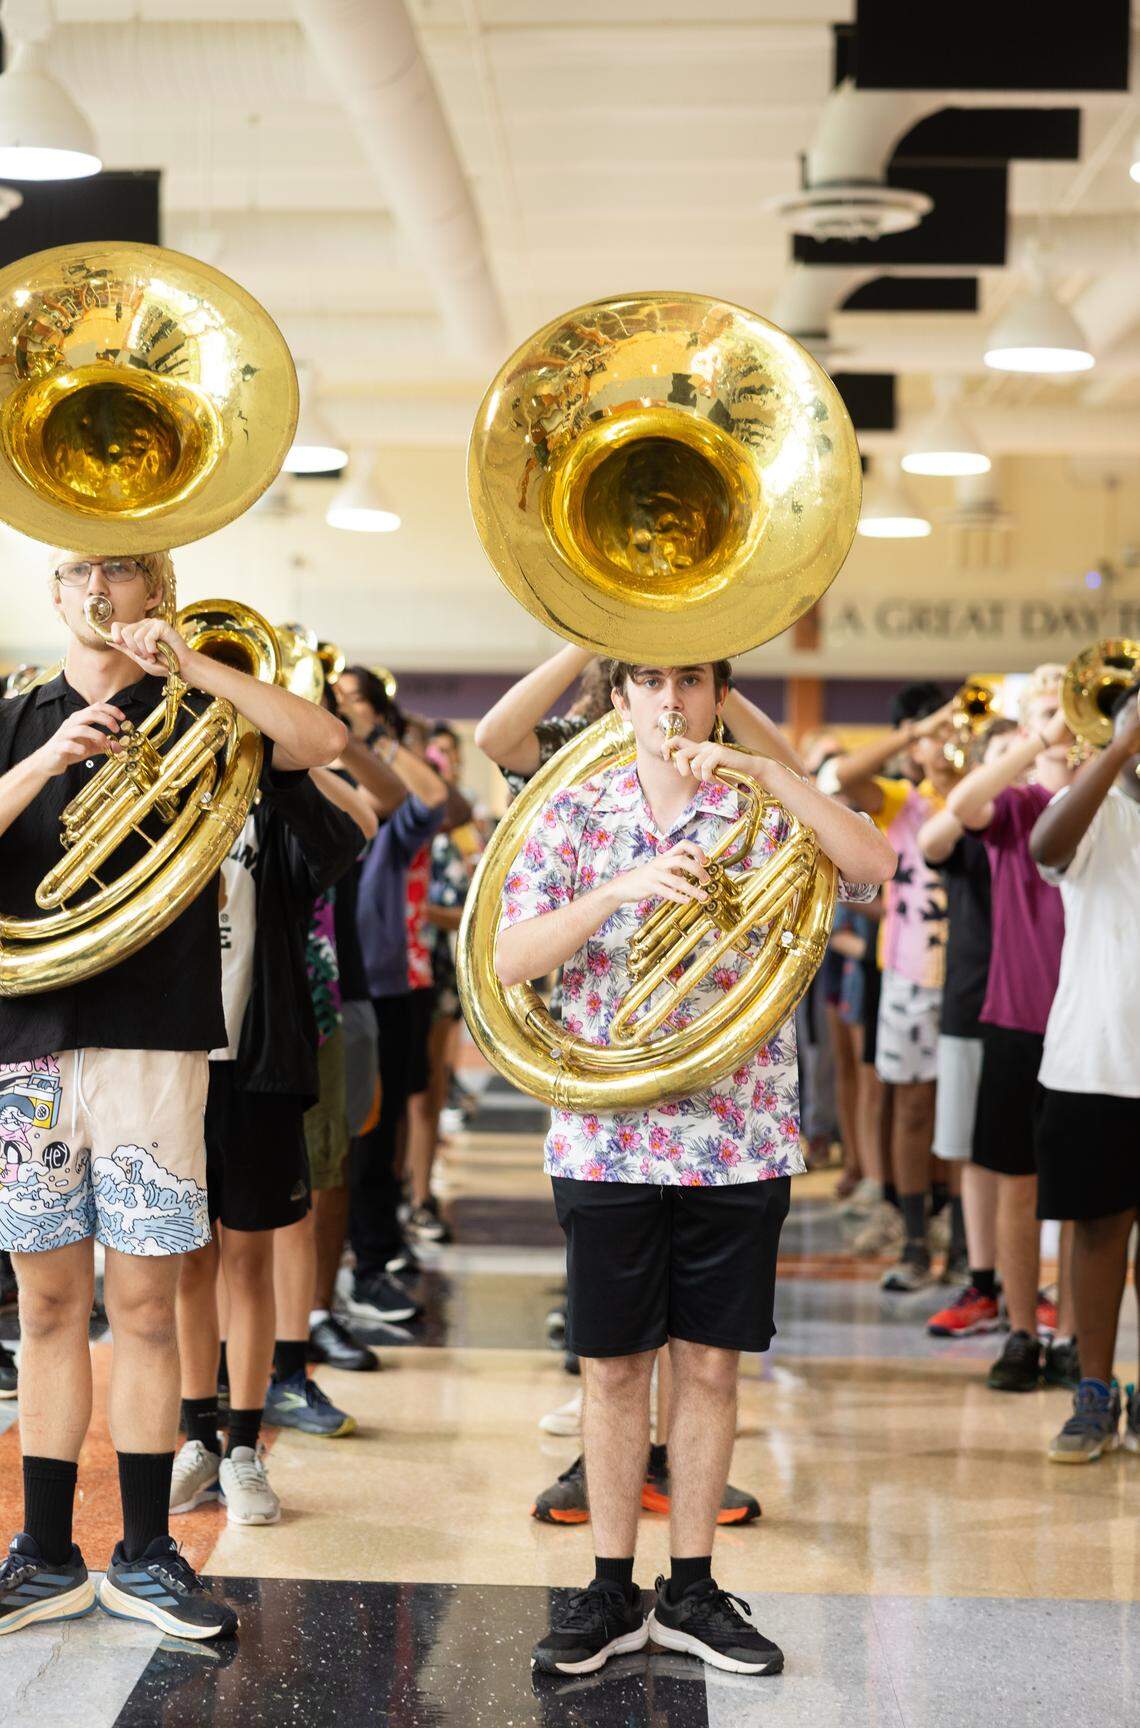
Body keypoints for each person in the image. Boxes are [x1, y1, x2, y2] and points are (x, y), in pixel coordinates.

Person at [497, 657, 895, 1677]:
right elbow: (509, 957)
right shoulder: (574, 809)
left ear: (719, 695)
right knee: (615, 1368)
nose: (670, 699)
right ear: (619, 695)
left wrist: (774, 774)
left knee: (712, 1366)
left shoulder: (759, 804)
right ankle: (606, 1586)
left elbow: (873, 861)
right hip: (607, 1129)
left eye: (691, 681)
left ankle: (694, 1586)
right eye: (649, 681)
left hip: (740, 1131)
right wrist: (622, 889)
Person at [0, 548, 345, 1640]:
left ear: (160, 590)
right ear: (52, 594)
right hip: (29, 1046)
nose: (99, 586)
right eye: (76, 570)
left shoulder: (205, 712)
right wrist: (46, 759)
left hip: (159, 1041)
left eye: (126, 570)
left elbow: (323, 746)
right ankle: (45, 1553)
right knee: (51, 1309)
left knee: (146, 1309)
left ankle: (147, 1552)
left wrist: (196, 668)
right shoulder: (16, 714)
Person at [172, 764, 367, 1523]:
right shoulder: (157, 790)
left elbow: (348, 840)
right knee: (188, 1259)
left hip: (256, 1066)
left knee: (247, 1259)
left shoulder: (274, 804)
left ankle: (246, 1445)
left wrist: (289, 759)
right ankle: (198, 1438)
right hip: (171, 1061)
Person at [944, 668, 1079, 1393]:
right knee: (1018, 1189)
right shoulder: (1019, 805)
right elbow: (962, 803)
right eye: (1051, 715)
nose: (1065, 728)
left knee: (1090, 1200)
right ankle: (1022, 1331)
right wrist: (1033, 739)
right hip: (1017, 1022)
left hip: (1091, 1029)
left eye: (1071, 715)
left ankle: (1079, 1338)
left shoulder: (1113, 803)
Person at [1030, 681, 1140, 1461]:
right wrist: (1118, 750)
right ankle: (1093, 1390)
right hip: (1096, 1059)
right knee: (1097, 1232)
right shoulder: (1098, 804)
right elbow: (1045, 847)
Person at [823, 685, 960, 1290]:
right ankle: (910, 1239)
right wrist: (918, 731)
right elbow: (842, 774)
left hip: (973, 976)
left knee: (960, 1117)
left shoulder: (980, 796)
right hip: (907, 975)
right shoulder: (904, 802)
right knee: (908, 1108)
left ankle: (957, 1241)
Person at [339, 675, 450, 1321]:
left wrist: (371, 736)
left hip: (384, 982)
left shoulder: (386, 809)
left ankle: (374, 1254)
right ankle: (359, 1261)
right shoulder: (314, 787)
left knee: (377, 1132)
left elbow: (433, 797)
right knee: (347, 1141)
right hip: (334, 985)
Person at [919, 719, 1019, 1337]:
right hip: (973, 1003)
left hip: (1041, 1010)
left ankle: (1032, 1287)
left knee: (1032, 1162)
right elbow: (931, 842)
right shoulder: (967, 828)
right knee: (976, 1156)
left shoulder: (1049, 821)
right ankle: (984, 1284)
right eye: (1004, 757)